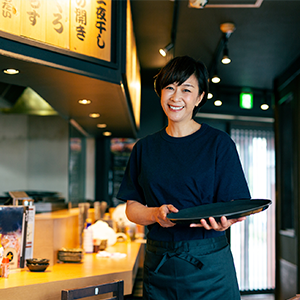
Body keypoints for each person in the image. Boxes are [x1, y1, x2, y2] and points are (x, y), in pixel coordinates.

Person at [117, 56, 251, 300]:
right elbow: (132, 209)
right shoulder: (144, 148)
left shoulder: (218, 144)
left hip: (209, 262)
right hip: (160, 263)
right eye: (169, 88)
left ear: (199, 97)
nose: (175, 97)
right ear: (160, 93)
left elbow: (236, 206)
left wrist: (225, 221)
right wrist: (156, 214)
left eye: (186, 89)